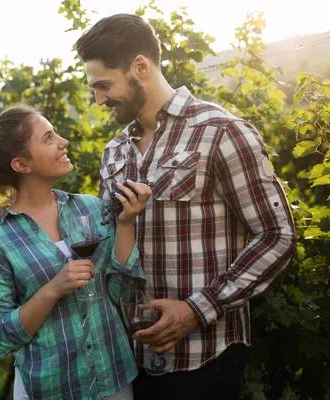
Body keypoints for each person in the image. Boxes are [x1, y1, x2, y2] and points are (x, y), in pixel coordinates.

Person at [75, 13, 297, 400]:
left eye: (104, 85)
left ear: (140, 67)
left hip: (204, 360)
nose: (98, 99)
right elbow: (111, 247)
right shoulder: (114, 152)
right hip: (127, 360)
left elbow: (277, 236)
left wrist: (197, 310)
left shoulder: (220, 132)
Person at [0, 104, 152, 399]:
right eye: (49, 138)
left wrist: (126, 223)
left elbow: (121, 291)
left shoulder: (91, 209)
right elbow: (0, 339)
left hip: (112, 377)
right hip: (52, 387)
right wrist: (52, 290)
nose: (63, 142)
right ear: (22, 165)